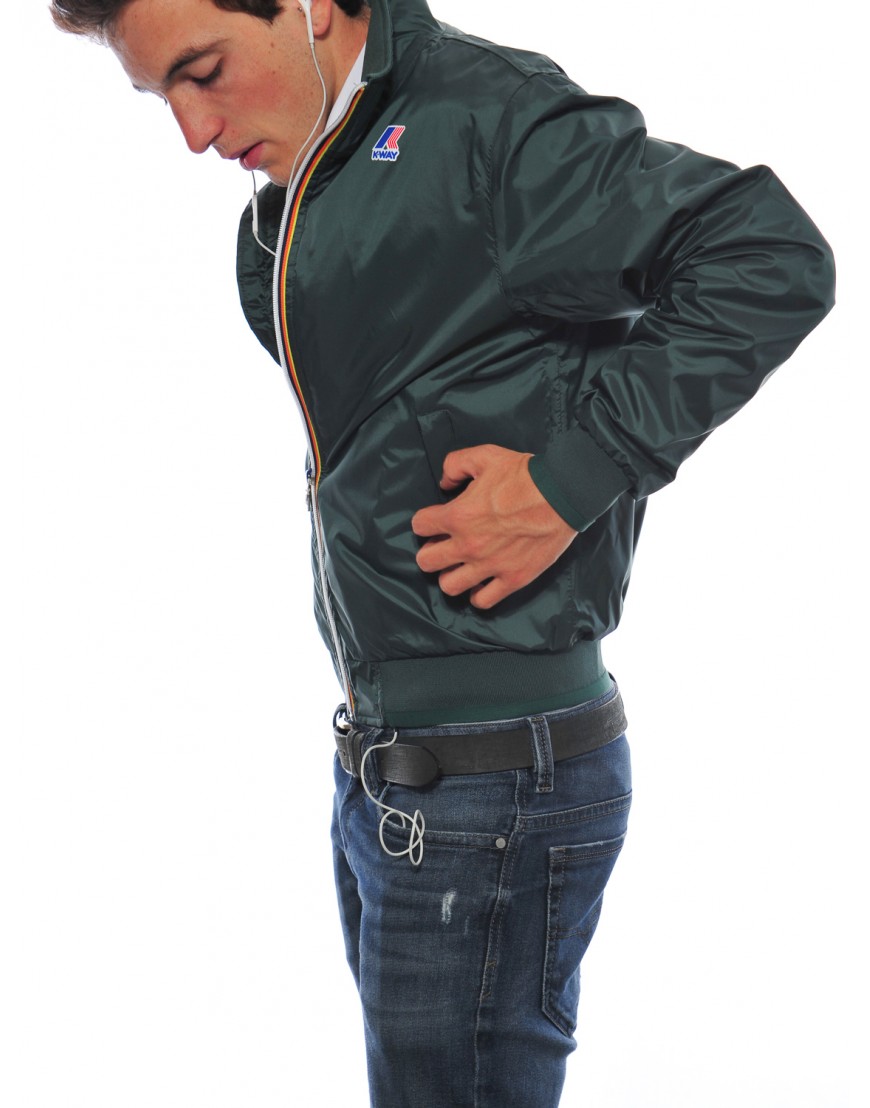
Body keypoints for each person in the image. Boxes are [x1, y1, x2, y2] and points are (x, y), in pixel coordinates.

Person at [50, 0, 835, 1104]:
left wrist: (574, 475)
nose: (191, 131)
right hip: (396, 772)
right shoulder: (329, 163)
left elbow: (767, 251)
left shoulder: (483, 126)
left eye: (205, 71)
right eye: (159, 96)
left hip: (487, 786)